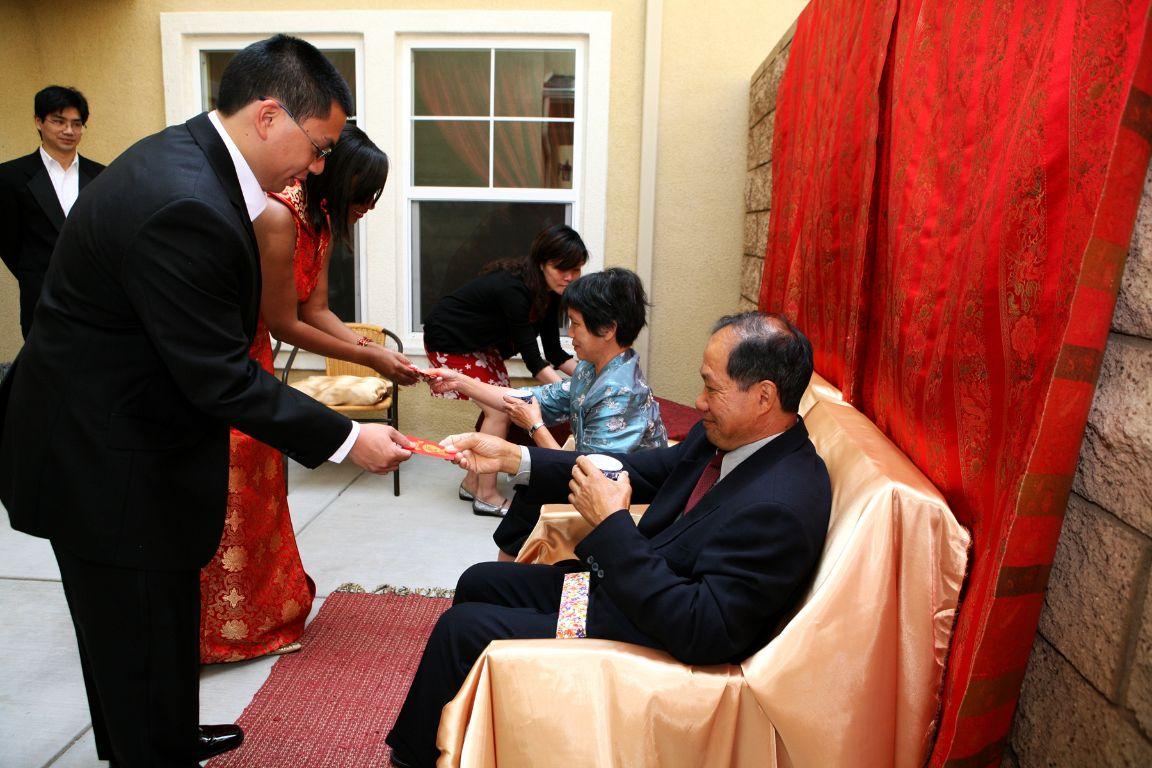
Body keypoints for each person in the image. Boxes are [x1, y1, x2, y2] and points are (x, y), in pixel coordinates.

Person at [0, 35, 413, 768]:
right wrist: (350, 441)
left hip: (139, 443)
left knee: (165, 625)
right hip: (101, 463)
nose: (317, 167)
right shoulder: (183, 201)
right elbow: (218, 375)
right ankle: (149, 748)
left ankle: (170, 733)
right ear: (267, 117)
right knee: (131, 646)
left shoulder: (193, 164)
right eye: (317, 147)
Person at [385, 312, 833, 768]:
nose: (698, 401)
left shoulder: (780, 504)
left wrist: (612, 523)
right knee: (480, 581)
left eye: (712, 388)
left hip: (656, 637)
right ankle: (473, 743)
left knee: (461, 631)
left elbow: (702, 629)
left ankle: (413, 760)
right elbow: (640, 470)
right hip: (632, 592)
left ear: (763, 397)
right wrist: (516, 458)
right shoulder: (725, 437)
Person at [200, 124, 417, 663]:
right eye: (363, 194)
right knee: (226, 495)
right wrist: (370, 355)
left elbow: (316, 310)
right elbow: (282, 322)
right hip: (232, 355)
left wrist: (380, 352)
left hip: (258, 359)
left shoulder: (319, 222)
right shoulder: (278, 216)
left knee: (263, 488)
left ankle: (262, 614)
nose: (368, 206)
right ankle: (214, 630)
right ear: (336, 179)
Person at [427, 267, 668, 555]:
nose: (571, 333)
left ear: (608, 329)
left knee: (532, 493)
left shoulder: (619, 391)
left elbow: (586, 474)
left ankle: (513, 584)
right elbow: (529, 398)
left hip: (624, 496)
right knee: (529, 495)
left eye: (577, 324)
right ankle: (507, 582)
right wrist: (461, 381)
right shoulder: (592, 369)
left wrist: (535, 427)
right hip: (590, 473)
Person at [422, 223, 586, 516]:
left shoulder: (551, 292)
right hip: (449, 339)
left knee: (498, 406)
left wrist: (595, 374)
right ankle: (486, 495)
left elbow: (555, 353)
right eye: (562, 268)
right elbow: (536, 363)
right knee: (501, 409)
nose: (570, 277)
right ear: (542, 263)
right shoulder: (515, 290)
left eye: (576, 269)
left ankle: (472, 483)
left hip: (479, 344)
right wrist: (575, 391)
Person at [0, 86, 105, 338]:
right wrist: (37, 276)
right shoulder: (10, 176)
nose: (69, 131)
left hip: (95, 302)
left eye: (76, 124)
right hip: (41, 300)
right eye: (59, 121)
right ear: (39, 122)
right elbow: (9, 243)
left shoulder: (102, 175)